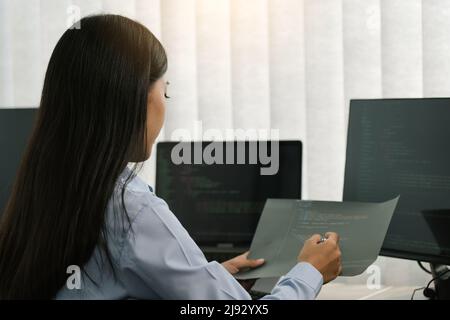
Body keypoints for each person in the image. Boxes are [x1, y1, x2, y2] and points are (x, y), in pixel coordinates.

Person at [0, 14, 342, 300]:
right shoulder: (130, 206)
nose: (165, 104)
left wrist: (206, 277)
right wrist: (309, 272)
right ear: (135, 98)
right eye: (165, 90)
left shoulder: (46, 189)